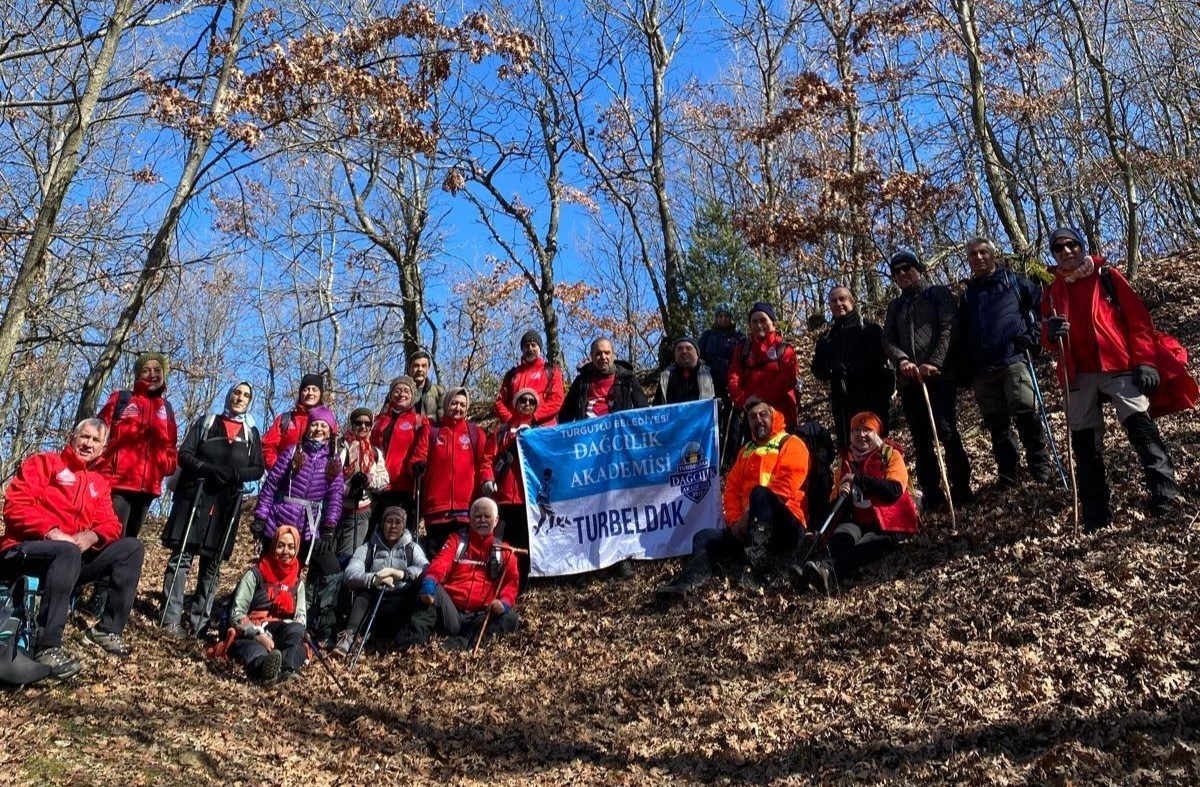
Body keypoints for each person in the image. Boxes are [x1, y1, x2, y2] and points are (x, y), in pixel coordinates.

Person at [1041, 227, 1184, 530]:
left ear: (1082, 246)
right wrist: (1050, 334)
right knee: (1085, 446)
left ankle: (1165, 497)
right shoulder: (1052, 291)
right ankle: (1096, 516)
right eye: (1059, 248)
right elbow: (1048, 338)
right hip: (1078, 375)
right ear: (1053, 254)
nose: (1066, 252)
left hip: (1118, 365)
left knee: (1141, 429)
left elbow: (1138, 320)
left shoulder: (1107, 275)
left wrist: (1146, 362)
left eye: (1072, 245)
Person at [0, 419, 145, 678]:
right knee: (66, 551)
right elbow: (14, 507)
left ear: (103, 448)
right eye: (84, 437)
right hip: (24, 549)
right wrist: (53, 531)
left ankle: (107, 630)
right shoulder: (44, 463)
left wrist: (91, 536)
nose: (88, 444)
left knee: (131, 548)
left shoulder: (98, 483)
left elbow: (111, 524)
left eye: (95, 441)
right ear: (73, 437)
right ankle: (47, 646)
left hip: (69, 560)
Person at [655, 398, 809, 599]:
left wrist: (750, 515)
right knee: (703, 537)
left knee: (760, 493)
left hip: (787, 527)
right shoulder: (745, 452)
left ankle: (755, 572)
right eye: (752, 417)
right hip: (750, 528)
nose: (758, 420)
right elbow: (731, 492)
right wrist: (735, 522)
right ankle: (688, 583)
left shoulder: (791, 443)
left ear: (773, 416)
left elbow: (786, 484)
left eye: (763, 414)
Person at [160, 382, 265, 638]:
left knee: (213, 564)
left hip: (226, 506)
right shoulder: (207, 422)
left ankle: (200, 624)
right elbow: (184, 453)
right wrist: (205, 469)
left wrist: (233, 475)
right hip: (195, 497)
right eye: (237, 393)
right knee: (182, 557)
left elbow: (258, 468)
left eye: (246, 395)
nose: (240, 398)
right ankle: (169, 619)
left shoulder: (251, 432)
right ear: (229, 395)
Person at [882, 251, 974, 511]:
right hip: (910, 382)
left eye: (907, 268)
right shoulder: (896, 306)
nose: (902, 274)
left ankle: (961, 488)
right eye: (897, 271)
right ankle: (933, 493)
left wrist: (934, 362)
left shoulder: (937, 294)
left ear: (918, 269)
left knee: (946, 432)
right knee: (921, 440)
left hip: (939, 378)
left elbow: (949, 328)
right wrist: (901, 361)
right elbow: (887, 339)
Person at [958, 237, 1052, 487]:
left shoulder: (1013, 282)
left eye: (983, 252)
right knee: (996, 424)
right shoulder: (967, 296)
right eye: (973, 254)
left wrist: (1032, 336)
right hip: (983, 369)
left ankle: (1040, 467)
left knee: (1025, 411)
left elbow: (1044, 307)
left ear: (993, 254)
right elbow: (963, 333)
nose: (978, 257)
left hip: (1014, 359)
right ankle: (1008, 473)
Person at [793, 412, 919, 594]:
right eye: (856, 431)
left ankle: (827, 571)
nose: (861, 435)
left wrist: (859, 479)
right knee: (840, 540)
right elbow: (834, 506)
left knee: (864, 548)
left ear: (876, 434)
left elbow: (894, 490)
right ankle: (815, 574)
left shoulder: (890, 454)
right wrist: (841, 494)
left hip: (888, 522)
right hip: (857, 520)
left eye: (867, 430)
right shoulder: (846, 460)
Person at [254, 406, 344, 645]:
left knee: (330, 569)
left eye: (323, 426)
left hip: (310, 527)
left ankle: (316, 622)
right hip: (282, 520)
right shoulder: (293, 452)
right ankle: (257, 618)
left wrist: (329, 527)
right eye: (315, 424)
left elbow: (335, 497)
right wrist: (261, 516)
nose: (318, 429)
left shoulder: (333, 461)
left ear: (330, 431)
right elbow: (272, 484)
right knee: (268, 571)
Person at [395, 498, 519, 651]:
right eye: (477, 516)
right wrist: (430, 581)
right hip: (451, 611)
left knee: (511, 619)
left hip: (480, 616)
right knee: (428, 585)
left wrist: (504, 603)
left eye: (487, 517)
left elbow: (511, 584)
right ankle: (411, 644)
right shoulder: (457, 541)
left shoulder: (505, 552)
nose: (482, 520)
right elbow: (441, 563)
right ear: (470, 519)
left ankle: (462, 645)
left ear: (496, 520)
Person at [96, 352, 179, 540]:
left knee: (129, 540)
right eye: (146, 370)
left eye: (157, 370)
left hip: (148, 487)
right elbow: (99, 431)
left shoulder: (166, 408)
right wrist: (103, 465)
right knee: (111, 536)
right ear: (138, 375)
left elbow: (171, 445)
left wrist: (166, 465)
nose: (152, 375)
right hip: (117, 483)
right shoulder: (121, 399)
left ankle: (119, 570)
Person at [334, 506, 428, 656]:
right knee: (363, 592)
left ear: (404, 527)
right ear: (382, 524)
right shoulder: (369, 547)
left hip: (401, 602)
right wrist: (373, 579)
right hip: (376, 602)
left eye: (398, 522)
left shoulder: (412, 548)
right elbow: (350, 574)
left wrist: (402, 574)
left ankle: (410, 640)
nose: (393, 526)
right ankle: (349, 638)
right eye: (389, 521)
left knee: (418, 589)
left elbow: (425, 568)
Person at [811, 287, 893, 448]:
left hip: (871, 402)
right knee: (848, 451)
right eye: (833, 301)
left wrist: (848, 368)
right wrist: (833, 369)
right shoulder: (827, 338)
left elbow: (878, 359)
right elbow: (817, 368)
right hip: (842, 407)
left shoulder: (869, 329)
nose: (838, 304)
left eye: (842, 299)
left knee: (875, 450)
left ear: (852, 301)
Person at [226, 526, 308, 683]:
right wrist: (258, 635)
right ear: (273, 546)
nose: (286, 552)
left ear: (297, 549)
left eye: (291, 547)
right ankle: (264, 669)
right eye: (281, 545)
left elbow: (301, 618)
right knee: (255, 650)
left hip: (285, 631)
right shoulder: (254, 575)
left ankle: (287, 670)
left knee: (297, 636)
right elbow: (237, 613)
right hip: (254, 629)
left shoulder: (298, 583)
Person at [482, 387, 541, 591]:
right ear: (515, 404)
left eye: (531, 402)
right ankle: (501, 584)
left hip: (530, 498)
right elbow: (487, 458)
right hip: (505, 497)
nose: (526, 404)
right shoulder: (502, 430)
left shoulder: (541, 430)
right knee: (504, 544)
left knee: (527, 543)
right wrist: (488, 479)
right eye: (522, 400)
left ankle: (524, 584)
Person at [423, 388, 491, 555]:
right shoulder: (432, 431)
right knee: (437, 555)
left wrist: (487, 480)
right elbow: (420, 454)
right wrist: (417, 464)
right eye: (454, 403)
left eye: (462, 405)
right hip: (436, 507)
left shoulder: (475, 433)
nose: (458, 408)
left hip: (466, 507)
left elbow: (485, 461)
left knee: (461, 556)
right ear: (447, 404)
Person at [371, 375, 431, 533]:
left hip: (403, 486)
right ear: (391, 395)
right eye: (397, 390)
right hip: (378, 486)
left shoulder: (418, 421)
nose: (401, 394)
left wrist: (416, 465)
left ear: (412, 396)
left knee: (397, 533)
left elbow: (421, 449)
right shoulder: (378, 421)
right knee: (375, 533)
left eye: (406, 391)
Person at [727, 302, 799, 430]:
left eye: (763, 320)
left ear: (773, 324)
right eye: (754, 321)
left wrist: (759, 397)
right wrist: (743, 401)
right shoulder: (742, 350)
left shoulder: (783, 349)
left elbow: (788, 378)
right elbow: (734, 377)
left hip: (782, 417)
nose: (759, 325)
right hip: (752, 417)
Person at [335, 407, 390, 559]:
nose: (363, 427)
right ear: (352, 425)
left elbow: (385, 480)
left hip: (362, 510)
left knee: (351, 555)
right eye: (358, 423)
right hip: (337, 508)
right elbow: (330, 477)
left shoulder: (375, 452)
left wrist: (368, 481)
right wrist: (347, 490)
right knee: (334, 554)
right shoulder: (340, 447)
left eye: (367, 424)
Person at [559, 337, 649, 423]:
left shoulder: (628, 379)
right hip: (588, 435)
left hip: (620, 433)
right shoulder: (581, 381)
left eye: (607, 353)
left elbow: (644, 412)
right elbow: (565, 416)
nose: (603, 357)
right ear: (591, 356)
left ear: (613, 355)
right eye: (598, 353)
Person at [494, 329, 564, 426]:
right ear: (522, 350)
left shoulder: (552, 371)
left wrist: (534, 417)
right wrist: (509, 418)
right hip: (515, 429)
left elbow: (557, 399)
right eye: (527, 346)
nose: (530, 349)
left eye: (533, 345)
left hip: (542, 428)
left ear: (539, 348)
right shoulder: (512, 374)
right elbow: (499, 401)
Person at [261, 373, 327, 471]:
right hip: (285, 479)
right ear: (300, 394)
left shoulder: (327, 421)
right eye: (306, 389)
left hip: (316, 481)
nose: (310, 393)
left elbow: (334, 452)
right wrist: (278, 468)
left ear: (320, 394)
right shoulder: (285, 419)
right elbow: (268, 446)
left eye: (314, 389)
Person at [653, 337, 720, 406]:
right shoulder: (665, 378)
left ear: (697, 354)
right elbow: (657, 406)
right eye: (679, 349)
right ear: (674, 354)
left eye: (689, 348)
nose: (684, 351)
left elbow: (724, 402)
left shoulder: (711, 374)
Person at [697, 303, 745, 397]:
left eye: (726, 316)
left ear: (731, 318)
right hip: (710, 385)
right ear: (716, 318)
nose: (723, 318)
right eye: (720, 316)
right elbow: (698, 357)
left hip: (735, 383)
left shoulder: (739, 337)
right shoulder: (707, 336)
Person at [408, 350, 444, 421]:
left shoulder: (438, 392)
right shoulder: (399, 392)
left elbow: (444, 421)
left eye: (424, 366)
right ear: (409, 368)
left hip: (431, 431)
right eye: (416, 366)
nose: (420, 369)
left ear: (428, 369)